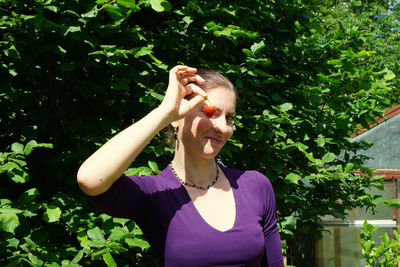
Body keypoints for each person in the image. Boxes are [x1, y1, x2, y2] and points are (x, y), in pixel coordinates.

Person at [77, 65, 284, 267]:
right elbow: (90, 179)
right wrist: (164, 113)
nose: (223, 127)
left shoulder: (255, 186)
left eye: (229, 117)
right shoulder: (155, 194)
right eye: (210, 112)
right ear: (177, 118)